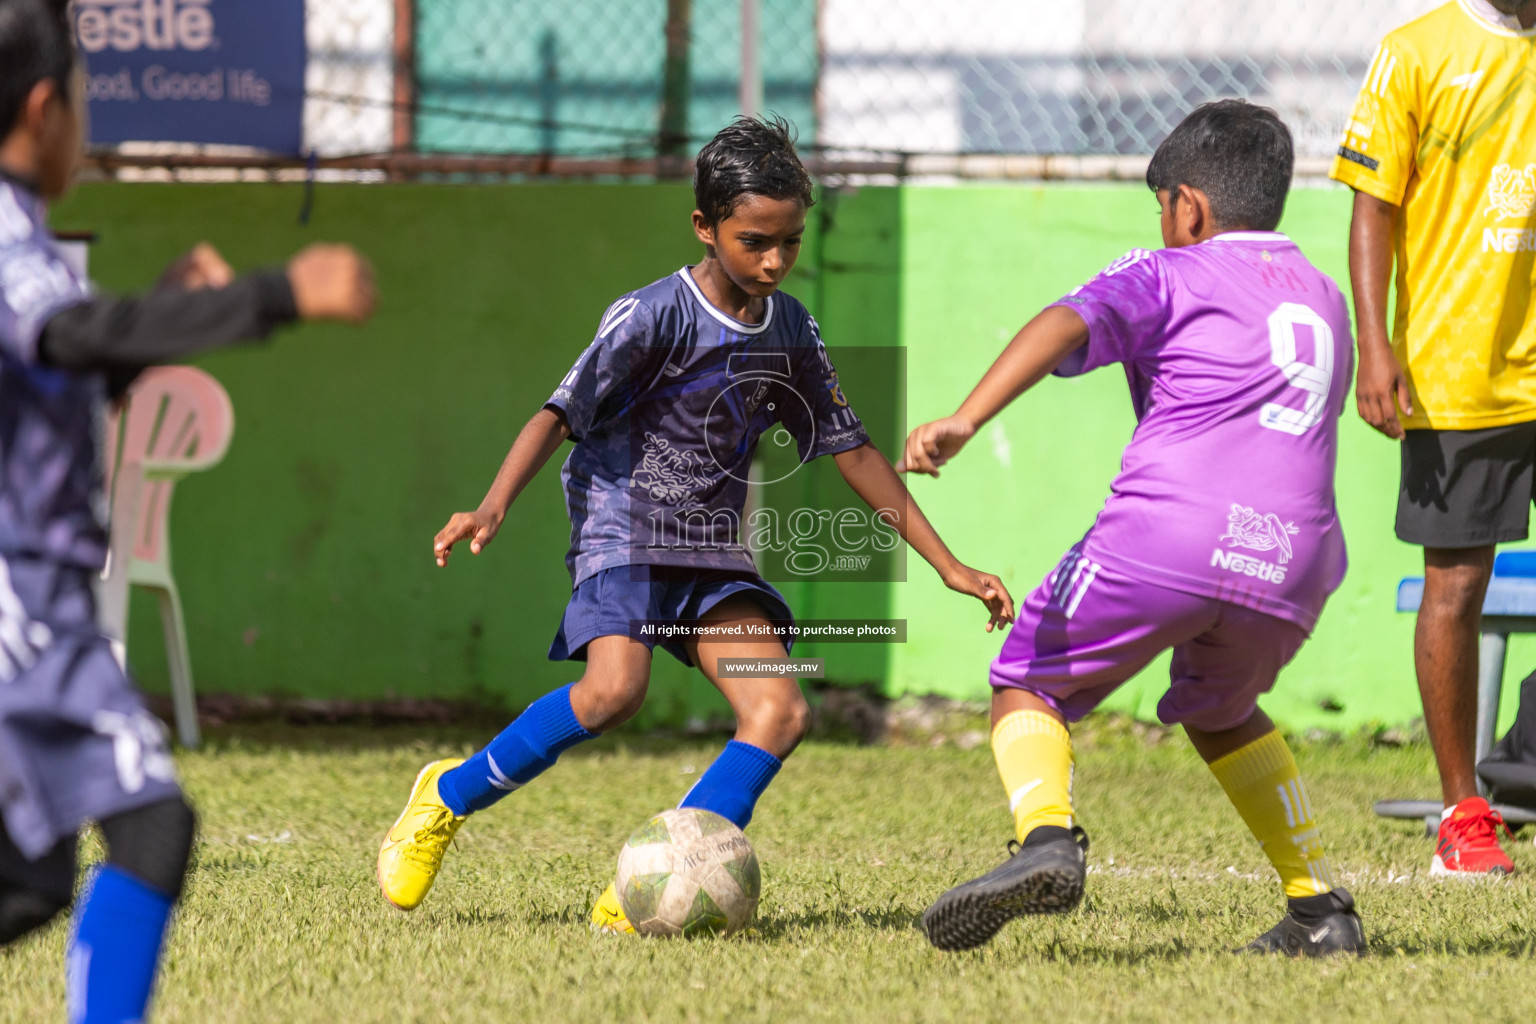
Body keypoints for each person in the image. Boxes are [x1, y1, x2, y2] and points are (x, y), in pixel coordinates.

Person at [375, 115, 1014, 932]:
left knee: (781, 711)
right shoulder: (650, 316)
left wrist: (947, 565)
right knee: (612, 693)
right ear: (705, 228)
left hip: (711, 549)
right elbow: (558, 414)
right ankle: (444, 797)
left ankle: (654, 881)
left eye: (790, 241)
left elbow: (852, 451)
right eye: (756, 241)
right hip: (624, 529)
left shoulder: (792, 330)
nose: (777, 260)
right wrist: (493, 503)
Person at [902, 100, 1364, 956]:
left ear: (1186, 205)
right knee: (1223, 709)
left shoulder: (1170, 270)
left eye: (1162, 206)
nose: (1161, 222)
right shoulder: (1322, 293)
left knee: (1029, 680)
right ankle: (1320, 909)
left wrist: (966, 419)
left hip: (1171, 536)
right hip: (1297, 559)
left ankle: (1046, 841)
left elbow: (1064, 320)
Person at [0, 1, 377, 1019]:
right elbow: (72, 336)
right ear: (43, 110)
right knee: (151, 827)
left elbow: (58, 367)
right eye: (83, 102)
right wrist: (276, 294)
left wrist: (152, 320)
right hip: (19, 606)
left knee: (29, 881)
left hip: (38, 599)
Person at [1331, 0, 1536, 877]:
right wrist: (1375, 346)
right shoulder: (1416, 52)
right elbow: (1373, 206)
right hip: (1458, 376)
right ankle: (1466, 812)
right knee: (1456, 588)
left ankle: (1521, 762)